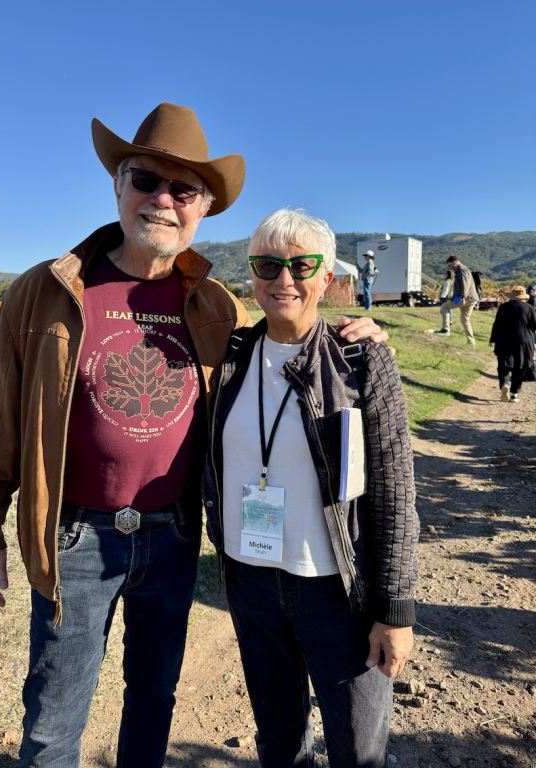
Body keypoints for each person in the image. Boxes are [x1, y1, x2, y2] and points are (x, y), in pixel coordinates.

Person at [0, 104, 387, 767]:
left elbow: (285, 340)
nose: (162, 199)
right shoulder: (44, 292)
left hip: (175, 536)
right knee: (53, 714)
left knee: (153, 698)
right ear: (117, 185)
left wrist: (354, 340)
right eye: (145, 180)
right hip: (75, 536)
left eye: (183, 189)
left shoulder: (217, 305)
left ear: (202, 209)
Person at [203, 210, 419, 767]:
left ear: (327, 276)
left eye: (302, 266)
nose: (284, 279)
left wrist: (395, 610)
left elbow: (396, 493)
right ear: (251, 273)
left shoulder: (361, 358)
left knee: (357, 751)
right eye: (267, 265)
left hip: (337, 592)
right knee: (278, 742)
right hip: (251, 581)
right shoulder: (228, 358)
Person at [489, 286, 536, 403]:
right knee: (519, 366)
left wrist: (492, 339)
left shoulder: (503, 307)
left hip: (504, 340)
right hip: (523, 340)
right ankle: (514, 393)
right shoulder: (529, 308)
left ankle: (504, 384)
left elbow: (497, 324)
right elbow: (534, 325)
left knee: (503, 364)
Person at [434, 255, 478, 345]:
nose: (449, 268)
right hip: (471, 298)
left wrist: (463, 297)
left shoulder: (462, 270)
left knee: (444, 307)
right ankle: (471, 342)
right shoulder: (461, 270)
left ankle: (446, 329)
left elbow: (465, 285)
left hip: (465, 298)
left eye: (450, 265)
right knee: (465, 320)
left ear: (455, 262)